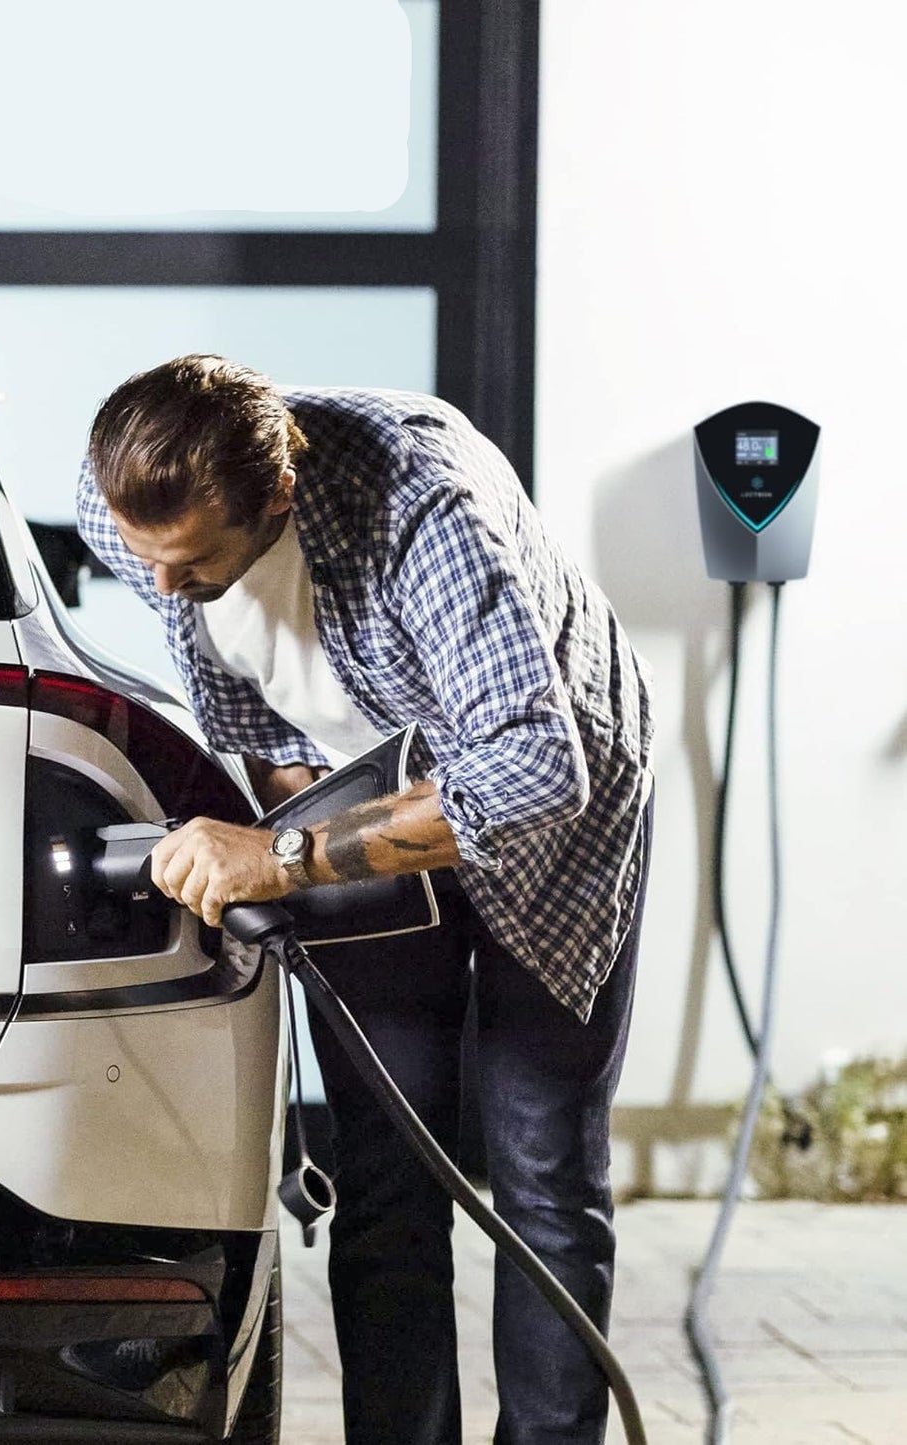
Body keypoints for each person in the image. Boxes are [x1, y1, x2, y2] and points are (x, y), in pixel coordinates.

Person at [76, 354, 653, 1445]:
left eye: (193, 566)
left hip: (554, 815)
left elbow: (535, 766)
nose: (158, 586)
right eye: (142, 558)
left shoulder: (422, 509)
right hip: (351, 801)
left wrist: (283, 860)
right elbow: (247, 712)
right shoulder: (130, 514)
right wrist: (288, 839)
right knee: (386, 1170)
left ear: (278, 500)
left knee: (539, 1164)